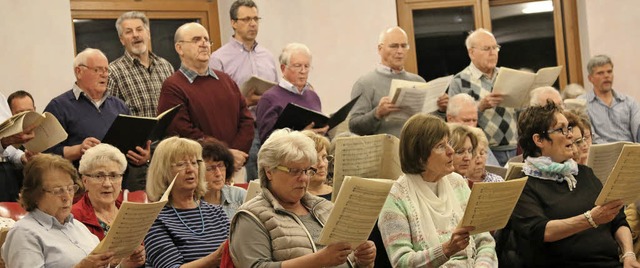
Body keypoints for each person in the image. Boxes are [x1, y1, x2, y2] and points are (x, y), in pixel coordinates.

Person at [507, 101, 638, 267]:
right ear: (539, 140)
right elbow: (541, 231)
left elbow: (618, 220)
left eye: (569, 128)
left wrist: (628, 254)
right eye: (561, 129)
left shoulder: (584, 173)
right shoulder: (523, 184)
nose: (570, 134)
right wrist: (590, 219)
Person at [230, 129, 376, 267]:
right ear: (269, 171)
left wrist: (362, 261)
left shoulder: (325, 207)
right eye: (294, 171)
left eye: (307, 170)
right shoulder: (251, 216)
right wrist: (319, 260)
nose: (304, 178)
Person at [377, 114, 497, 267]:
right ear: (420, 156)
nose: (451, 151)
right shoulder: (396, 198)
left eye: (449, 143)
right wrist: (447, 249)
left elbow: (484, 240)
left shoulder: (458, 183)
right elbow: (402, 262)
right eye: (441, 146)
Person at [1, 154, 144, 267]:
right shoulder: (25, 233)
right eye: (58, 191)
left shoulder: (78, 227)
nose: (67, 197)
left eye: (70, 189)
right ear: (35, 194)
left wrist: (125, 265)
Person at [157, 22, 254, 176]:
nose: (203, 44)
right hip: (200, 168)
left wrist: (235, 155)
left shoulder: (226, 80)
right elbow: (182, 131)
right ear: (179, 48)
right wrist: (225, 156)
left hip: (236, 165)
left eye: (206, 40)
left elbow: (247, 120)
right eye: (196, 40)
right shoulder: (173, 86)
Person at [209, 0, 279, 182]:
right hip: (241, 129)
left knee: (275, 179)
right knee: (253, 183)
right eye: (246, 19)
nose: (253, 24)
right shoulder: (218, 59)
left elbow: (277, 92)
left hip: (271, 126)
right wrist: (244, 102)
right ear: (233, 23)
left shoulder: (267, 56)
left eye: (256, 18)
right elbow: (215, 103)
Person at [44, 48, 150, 167]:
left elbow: (131, 150)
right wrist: (78, 150)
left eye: (106, 70)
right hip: (78, 182)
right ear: (79, 71)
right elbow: (44, 154)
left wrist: (142, 157)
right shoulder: (58, 107)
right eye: (97, 70)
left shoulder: (120, 106)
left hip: (118, 181)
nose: (104, 75)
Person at [144, 137, 229, 267]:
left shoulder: (217, 212)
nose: (190, 169)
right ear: (163, 172)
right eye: (181, 164)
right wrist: (214, 259)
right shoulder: (155, 219)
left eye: (194, 163)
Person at [448, 28, 517, 167]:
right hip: (482, 151)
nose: (492, 53)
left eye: (495, 48)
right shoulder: (460, 80)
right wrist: (480, 107)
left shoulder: (507, 75)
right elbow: (454, 122)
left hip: (514, 146)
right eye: (486, 48)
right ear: (471, 52)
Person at [349, 26, 426, 137]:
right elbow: (354, 126)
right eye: (394, 46)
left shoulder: (419, 81)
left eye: (404, 46)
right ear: (380, 49)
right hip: (383, 151)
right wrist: (377, 113)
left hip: (417, 149)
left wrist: (441, 110)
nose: (400, 51)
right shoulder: (365, 83)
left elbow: (430, 125)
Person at [256, 43, 328, 143]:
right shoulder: (269, 99)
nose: (303, 71)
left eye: (306, 66)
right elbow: (267, 141)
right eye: (297, 66)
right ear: (283, 68)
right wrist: (301, 136)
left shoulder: (312, 95)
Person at [108, 11, 174, 118]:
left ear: (148, 34)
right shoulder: (113, 72)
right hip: (135, 134)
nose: (135, 35)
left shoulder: (166, 67)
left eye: (139, 29)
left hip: (169, 134)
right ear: (122, 40)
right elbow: (110, 115)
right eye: (129, 32)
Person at [579, 54, 640, 144]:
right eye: (600, 73)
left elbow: (638, 130)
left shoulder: (629, 102)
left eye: (609, 71)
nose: (606, 76)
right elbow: (590, 136)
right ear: (590, 78)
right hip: (602, 154)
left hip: (630, 152)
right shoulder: (582, 103)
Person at [72, 143, 127, 240]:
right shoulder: (73, 217)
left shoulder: (130, 213)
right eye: (99, 176)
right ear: (85, 181)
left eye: (113, 176)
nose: (107, 184)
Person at [447, 93, 500, 166]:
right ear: (450, 119)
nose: (472, 125)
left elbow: (495, 169)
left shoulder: (479, 139)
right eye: (466, 121)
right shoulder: (444, 143)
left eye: (474, 120)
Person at [0, 92, 35, 201]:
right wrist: (3, 142)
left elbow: (8, 151)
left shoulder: (1, 98)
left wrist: (22, 157)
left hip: (6, 174)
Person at [201, 139, 247, 218]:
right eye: (210, 168)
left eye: (220, 165)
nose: (218, 174)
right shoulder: (190, 203)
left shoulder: (240, 196)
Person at [302, 130, 333, 200]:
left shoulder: (338, 192)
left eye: (324, 157)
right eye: (315, 159)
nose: (322, 164)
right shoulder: (296, 198)